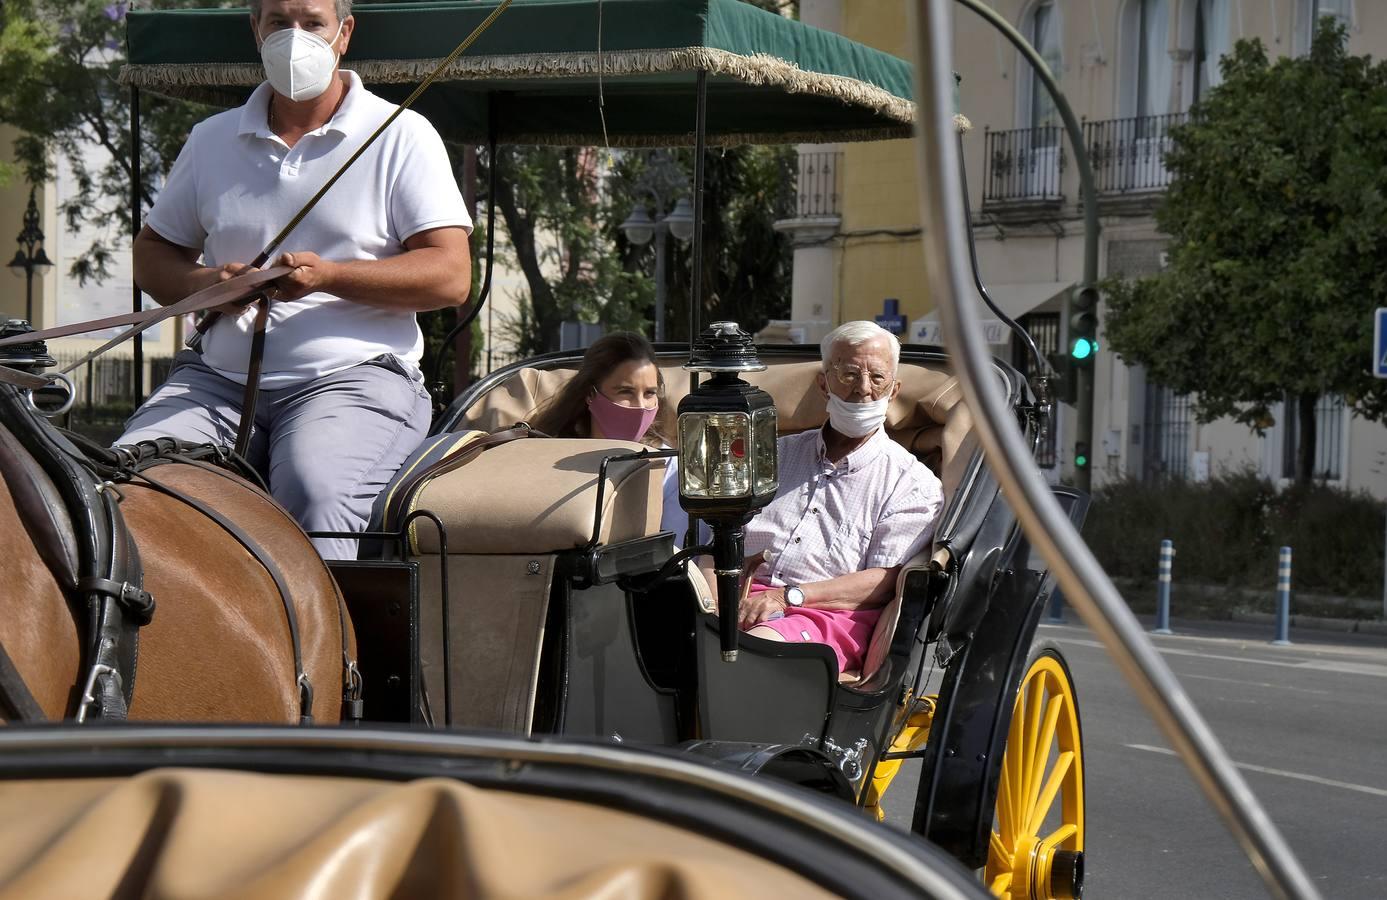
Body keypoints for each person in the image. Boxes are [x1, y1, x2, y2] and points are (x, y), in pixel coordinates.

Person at [118, 0, 473, 559]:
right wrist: (209, 281)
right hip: (216, 378)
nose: (294, 37)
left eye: (312, 23)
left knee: (315, 493)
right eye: (279, 22)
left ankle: (331, 648)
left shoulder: (402, 134)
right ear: (254, 30)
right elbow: (154, 253)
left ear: (344, 33)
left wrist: (329, 276)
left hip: (353, 378)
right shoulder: (211, 139)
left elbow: (450, 276)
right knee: (129, 487)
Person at [709, 321, 943, 675]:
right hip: (733, 591)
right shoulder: (771, 455)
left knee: (758, 652)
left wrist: (787, 597)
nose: (863, 389)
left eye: (877, 378)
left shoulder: (912, 484)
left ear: (893, 391)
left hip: (828, 614)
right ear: (824, 383)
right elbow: (716, 533)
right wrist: (713, 602)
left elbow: (882, 582)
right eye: (849, 374)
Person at [530, 333, 690, 542]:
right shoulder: (550, 455)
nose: (640, 406)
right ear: (590, 394)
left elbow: (675, 551)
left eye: (649, 393)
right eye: (626, 392)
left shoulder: (668, 466)